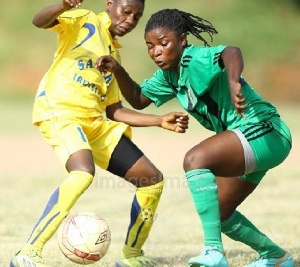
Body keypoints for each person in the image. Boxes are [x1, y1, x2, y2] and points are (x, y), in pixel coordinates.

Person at [95, 8, 295, 267]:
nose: (156, 51)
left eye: (164, 43)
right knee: (221, 214)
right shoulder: (169, 76)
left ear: (182, 41)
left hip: (266, 130)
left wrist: (234, 81)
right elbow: (137, 98)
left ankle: (214, 252)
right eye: (150, 46)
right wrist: (118, 69)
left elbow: (230, 52)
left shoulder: (194, 59)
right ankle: (276, 256)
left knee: (195, 159)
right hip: (250, 142)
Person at [10, 2, 189, 267]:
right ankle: (28, 253)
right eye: (126, 11)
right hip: (62, 112)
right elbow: (39, 21)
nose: (130, 20)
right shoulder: (84, 20)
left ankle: (132, 256)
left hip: (95, 124)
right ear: (110, 5)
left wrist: (159, 120)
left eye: (136, 17)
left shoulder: (114, 52)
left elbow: (114, 110)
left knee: (151, 180)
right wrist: (62, 4)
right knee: (83, 173)